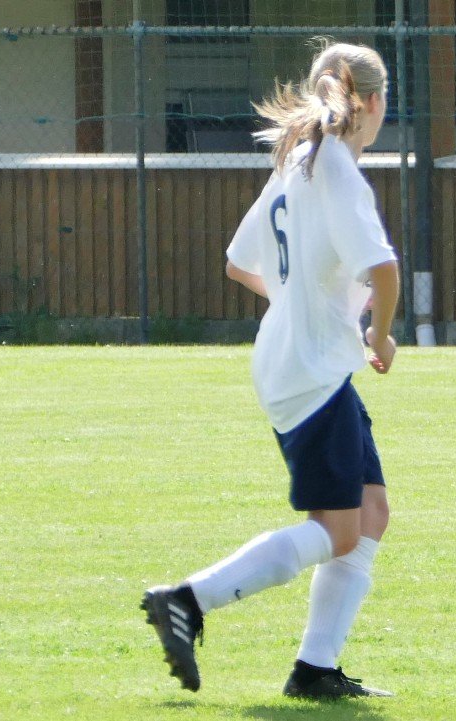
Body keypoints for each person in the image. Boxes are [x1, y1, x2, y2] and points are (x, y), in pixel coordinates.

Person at [141, 39, 402, 699]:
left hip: (297, 362)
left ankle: (316, 666)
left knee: (369, 512)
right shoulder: (337, 167)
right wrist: (380, 331)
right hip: (310, 370)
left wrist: (305, 303)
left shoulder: (295, 164)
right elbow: (385, 269)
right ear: (373, 103)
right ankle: (188, 600)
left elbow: (238, 262)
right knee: (338, 528)